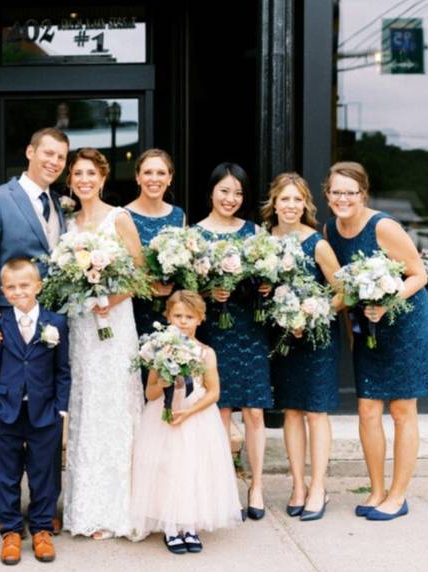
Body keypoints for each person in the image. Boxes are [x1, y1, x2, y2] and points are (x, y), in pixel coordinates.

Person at [323, 161, 428, 521]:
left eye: (350, 192)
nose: (343, 198)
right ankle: (376, 490)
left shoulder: (384, 227)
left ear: (363, 194)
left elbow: (419, 274)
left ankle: (398, 495)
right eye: (336, 192)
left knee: (403, 411)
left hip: (405, 324)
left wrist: (387, 302)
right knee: (367, 409)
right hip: (367, 330)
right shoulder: (330, 231)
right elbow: (344, 289)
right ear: (327, 194)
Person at [0, 126, 69, 533]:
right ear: (29, 151)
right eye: (47, 153)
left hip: (48, 326)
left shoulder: (59, 206)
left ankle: (43, 513)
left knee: (45, 427)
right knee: (10, 429)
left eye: (61, 157)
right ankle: (11, 519)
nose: (54, 162)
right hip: (8, 326)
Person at [61, 147, 144, 540]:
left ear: (103, 177)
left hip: (113, 322)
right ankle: (85, 506)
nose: (84, 180)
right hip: (81, 326)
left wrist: (107, 299)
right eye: (78, 173)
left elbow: (139, 272)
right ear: (70, 180)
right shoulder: (67, 223)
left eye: (90, 173)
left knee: (114, 407)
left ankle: (118, 510)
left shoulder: (119, 218)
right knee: (86, 406)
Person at [130, 290, 242, 553]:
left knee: (193, 468)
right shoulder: (159, 350)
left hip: (196, 417)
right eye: (177, 316)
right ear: (168, 317)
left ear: (200, 319)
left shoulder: (206, 353)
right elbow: (150, 392)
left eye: (189, 317)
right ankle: (170, 525)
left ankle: (190, 525)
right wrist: (164, 383)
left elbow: (213, 392)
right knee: (166, 468)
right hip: (163, 418)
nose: (182, 321)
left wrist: (188, 413)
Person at [261, 172, 342, 521]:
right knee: (291, 412)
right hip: (280, 339)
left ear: (305, 204)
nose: (291, 206)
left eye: (297, 199)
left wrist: (313, 314)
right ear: (274, 203)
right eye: (285, 199)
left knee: (315, 412)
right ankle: (297, 485)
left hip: (314, 339)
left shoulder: (317, 244)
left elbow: (344, 291)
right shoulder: (262, 241)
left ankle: (319, 486)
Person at [194, 162, 270, 520]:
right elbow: (186, 289)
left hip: (249, 329)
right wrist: (210, 292)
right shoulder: (194, 234)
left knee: (254, 411)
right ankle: (224, 487)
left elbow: (269, 279)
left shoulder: (255, 232)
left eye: (238, 192)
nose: (231, 198)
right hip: (216, 331)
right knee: (220, 411)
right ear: (211, 192)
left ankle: (256, 485)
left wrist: (267, 288)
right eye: (225, 191)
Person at [0, 258, 71, 565]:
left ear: (38, 286)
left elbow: (62, 370)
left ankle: (42, 528)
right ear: (3, 291)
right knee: (4, 472)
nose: (18, 292)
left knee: (44, 470)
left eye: (24, 285)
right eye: (11, 287)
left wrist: (61, 408)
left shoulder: (56, 323)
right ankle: (9, 530)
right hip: (4, 410)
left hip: (44, 410)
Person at [125, 149, 186, 392]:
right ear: (138, 177)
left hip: (170, 312)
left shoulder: (178, 215)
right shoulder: (123, 214)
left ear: (170, 178)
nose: (154, 178)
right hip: (135, 311)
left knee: (168, 383)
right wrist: (146, 286)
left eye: (161, 173)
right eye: (148, 172)